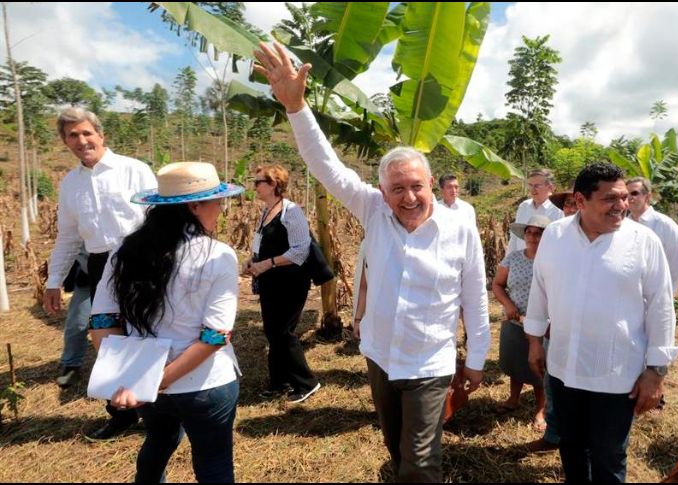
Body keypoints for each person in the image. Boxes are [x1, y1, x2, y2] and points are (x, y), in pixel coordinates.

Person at [254, 42, 490, 482]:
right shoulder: (373, 211)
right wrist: (296, 106)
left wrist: (476, 358)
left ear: (432, 184)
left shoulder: (460, 229)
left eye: (416, 186)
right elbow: (327, 166)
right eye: (397, 189)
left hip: (429, 364)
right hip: (380, 356)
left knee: (421, 463)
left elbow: (475, 298)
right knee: (395, 447)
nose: (409, 197)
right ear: (382, 191)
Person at [524, 162, 678, 483]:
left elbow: (661, 306)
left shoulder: (643, 241)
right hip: (563, 369)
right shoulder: (555, 235)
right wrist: (535, 342)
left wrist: (656, 370)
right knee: (572, 450)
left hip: (616, 376)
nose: (621, 206)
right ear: (580, 201)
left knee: (608, 457)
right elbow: (540, 290)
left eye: (624, 197)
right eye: (610, 198)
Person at [89, 162, 244, 483]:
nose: (221, 210)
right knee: (213, 463)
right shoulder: (218, 255)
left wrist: (131, 381)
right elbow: (216, 336)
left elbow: (102, 320)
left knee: (159, 440)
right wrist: (154, 382)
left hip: (145, 390)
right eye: (217, 202)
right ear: (195, 205)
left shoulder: (124, 250)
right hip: (205, 385)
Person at [43, 107, 157, 441]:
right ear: (65, 142)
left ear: (100, 134)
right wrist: (53, 282)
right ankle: (120, 415)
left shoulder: (133, 170)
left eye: (85, 133)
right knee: (108, 342)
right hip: (98, 264)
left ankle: (158, 410)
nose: (81, 141)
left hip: (141, 259)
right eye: (72, 135)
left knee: (149, 333)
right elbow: (67, 236)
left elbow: (158, 216)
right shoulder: (70, 184)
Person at [244, 164, 321, 404]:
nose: (255, 186)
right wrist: (252, 260)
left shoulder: (291, 212)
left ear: (274, 185)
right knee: (271, 330)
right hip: (270, 282)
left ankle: (306, 382)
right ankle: (279, 382)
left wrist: (267, 264)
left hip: (291, 283)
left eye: (259, 182)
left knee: (282, 331)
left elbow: (300, 251)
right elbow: (261, 243)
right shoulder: (266, 212)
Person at [491, 215, 550, 431]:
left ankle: (541, 410)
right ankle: (513, 399)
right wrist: (508, 305)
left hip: (542, 323)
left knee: (539, 367)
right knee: (515, 363)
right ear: (524, 235)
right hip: (515, 321)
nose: (533, 237)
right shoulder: (513, 258)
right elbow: (497, 285)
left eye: (538, 233)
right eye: (529, 232)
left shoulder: (551, 261)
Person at [626, 177, 678, 292]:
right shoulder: (622, 226)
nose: (629, 198)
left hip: (656, 294)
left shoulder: (665, 225)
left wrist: (666, 292)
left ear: (648, 197)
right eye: (626, 194)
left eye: (634, 193)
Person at [56, 246, 91, 388]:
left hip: (126, 275)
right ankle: (71, 366)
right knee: (77, 323)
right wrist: (54, 282)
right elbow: (67, 242)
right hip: (88, 276)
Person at [506, 168, 563, 255]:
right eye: (530, 185)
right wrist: (508, 261)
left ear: (550, 187)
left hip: (546, 263)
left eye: (537, 186)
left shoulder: (558, 209)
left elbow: (561, 241)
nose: (532, 189)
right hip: (521, 263)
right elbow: (514, 238)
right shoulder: (524, 206)